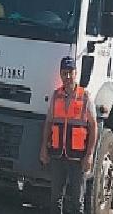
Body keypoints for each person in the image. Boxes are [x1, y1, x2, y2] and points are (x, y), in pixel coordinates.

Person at [39, 56, 98, 214]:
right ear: (60, 74)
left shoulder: (85, 96)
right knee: (55, 199)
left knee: (77, 202)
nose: (67, 77)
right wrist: (44, 148)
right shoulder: (56, 96)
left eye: (70, 73)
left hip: (78, 159)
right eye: (64, 73)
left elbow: (93, 127)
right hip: (58, 156)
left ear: (76, 73)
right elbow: (49, 123)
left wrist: (89, 155)